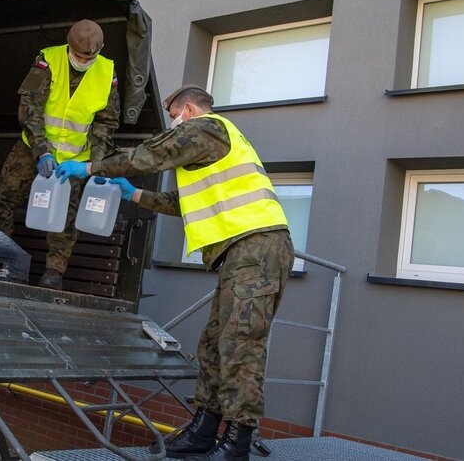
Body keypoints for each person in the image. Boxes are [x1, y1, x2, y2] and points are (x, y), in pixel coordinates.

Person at [54, 85, 294, 460]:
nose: (172, 123)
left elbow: (153, 152)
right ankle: (205, 429)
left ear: (188, 109)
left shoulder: (207, 128)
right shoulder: (210, 149)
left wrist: (89, 167)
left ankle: (238, 441)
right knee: (215, 343)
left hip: (257, 248)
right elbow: (184, 203)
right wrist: (133, 193)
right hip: (242, 252)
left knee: (240, 345)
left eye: (173, 115)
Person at [0, 19, 120, 290]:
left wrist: (96, 164)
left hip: (75, 159)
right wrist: (41, 151)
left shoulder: (107, 72)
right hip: (33, 148)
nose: (84, 60)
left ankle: (54, 272)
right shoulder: (48, 60)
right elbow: (30, 107)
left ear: (100, 50)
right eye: (79, 55)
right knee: (6, 197)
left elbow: (106, 123)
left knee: (66, 216)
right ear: (69, 46)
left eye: (89, 57)